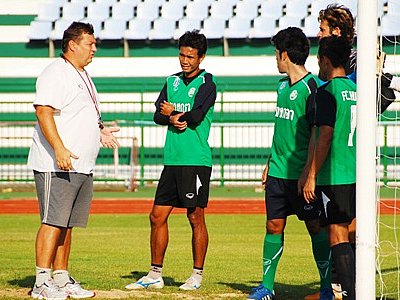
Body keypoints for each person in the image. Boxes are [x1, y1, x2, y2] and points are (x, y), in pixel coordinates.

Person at [27, 21, 120, 300]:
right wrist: (59, 148)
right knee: (52, 221)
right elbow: (43, 112)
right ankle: (41, 283)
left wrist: (99, 130)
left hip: (80, 165)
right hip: (55, 164)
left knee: (66, 224)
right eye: (90, 44)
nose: (94, 49)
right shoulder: (56, 72)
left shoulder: (81, 74)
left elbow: (78, 113)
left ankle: (61, 278)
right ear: (72, 44)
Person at [125, 30, 216, 291]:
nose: (184, 60)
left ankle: (196, 275)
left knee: (195, 217)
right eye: (181, 54)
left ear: (201, 57)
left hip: (195, 160)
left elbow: (196, 117)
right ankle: (155, 274)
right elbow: (157, 113)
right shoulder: (172, 81)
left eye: (190, 56)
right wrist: (173, 117)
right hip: (172, 159)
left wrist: (173, 113)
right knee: (156, 216)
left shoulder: (207, 82)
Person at [248, 27, 333, 300]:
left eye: (276, 53)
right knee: (273, 226)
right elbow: (280, 130)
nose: (275, 59)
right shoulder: (282, 86)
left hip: (302, 177)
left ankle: (326, 287)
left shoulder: (313, 88)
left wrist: (309, 173)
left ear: (285, 55)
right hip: (277, 173)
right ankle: (266, 287)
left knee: (315, 228)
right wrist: (269, 162)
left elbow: (317, 133)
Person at [303, 36, 356, 300]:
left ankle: (349, 294)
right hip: (357, 173)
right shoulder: (357, 90)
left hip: (335, 174)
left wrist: (311, 175)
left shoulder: (327, 92)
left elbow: (325, 136)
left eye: (319, 59)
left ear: (325, 60)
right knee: (350, 231)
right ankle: (357, 290)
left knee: (337, 234)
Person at [316, 3, 399, 113]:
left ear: (336, 31)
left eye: (322, 30)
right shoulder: (329, 58)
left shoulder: (357, 61)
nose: (318, 34)